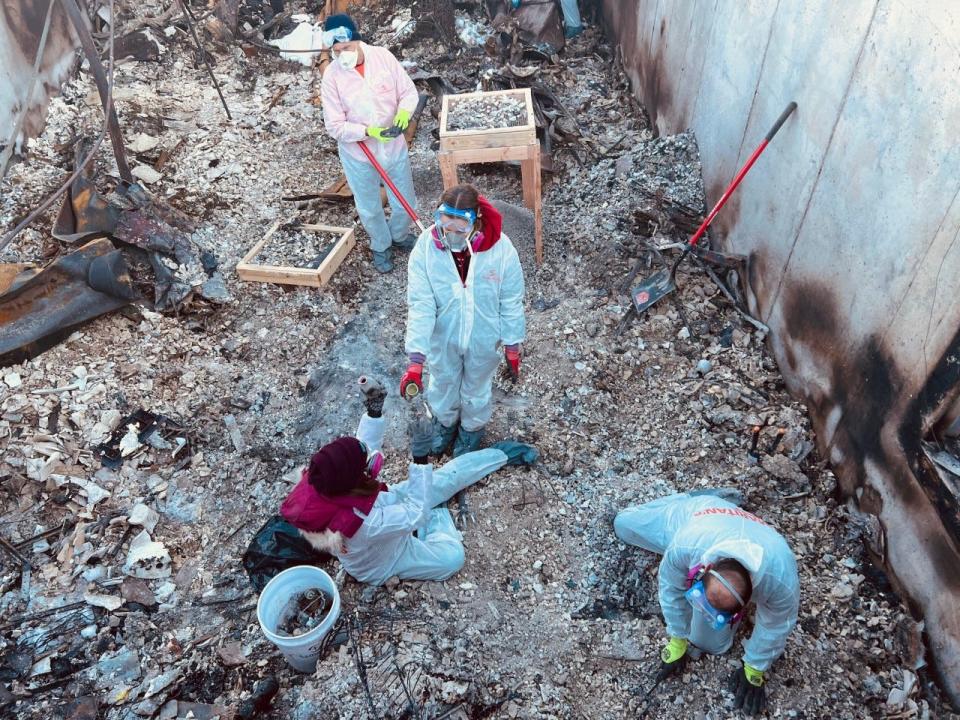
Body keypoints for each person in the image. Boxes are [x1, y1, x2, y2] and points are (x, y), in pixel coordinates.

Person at [279, 378, 537, 585]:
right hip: (387, 559)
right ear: (353, 478)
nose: (368, 462)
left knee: (445, 478)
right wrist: (420, 459)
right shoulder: (364, 522)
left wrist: (374, 411)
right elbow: (414, 515)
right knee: (452, 559)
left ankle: (500, 455)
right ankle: (438, 511)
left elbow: (361, 453)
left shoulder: (323, 479)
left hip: (381, 511)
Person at [613, 490, 800, 716]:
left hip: (759, 535)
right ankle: (691, 496)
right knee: (623, 524)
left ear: (745, 606)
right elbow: (670, 588)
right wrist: (677, 639)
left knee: (711, 644)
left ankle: (730, 509)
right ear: (708, 569)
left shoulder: (780, 580)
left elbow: (778, 624)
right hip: (698, 514)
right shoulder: (686, 544)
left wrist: (755, 667)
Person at [400, 183, 526, 458]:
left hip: (484, 336)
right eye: (446, 225)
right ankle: (445, 425)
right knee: (443, 382)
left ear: (476, 220)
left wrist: (512, 342)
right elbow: (421, 304)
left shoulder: (501, 249)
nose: (452, 234)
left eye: (461, 228)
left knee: (476, 387)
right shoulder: (425, 249)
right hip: (442, 337)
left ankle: (471, 431)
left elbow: (511, 300)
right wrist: (416, 359)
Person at [319, 14, 419, 273]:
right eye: (337, 51)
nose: (342, 55)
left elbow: (408, 92)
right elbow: (334, 126)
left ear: (358, 41)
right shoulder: (331, 77)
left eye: (347, 48)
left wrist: (404, 112)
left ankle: (398, 236)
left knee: (405, 200)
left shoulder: (383, 57)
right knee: (369, 206)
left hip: (393, 145)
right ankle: (381, 245)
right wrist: (367, 131)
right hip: (359, 154)